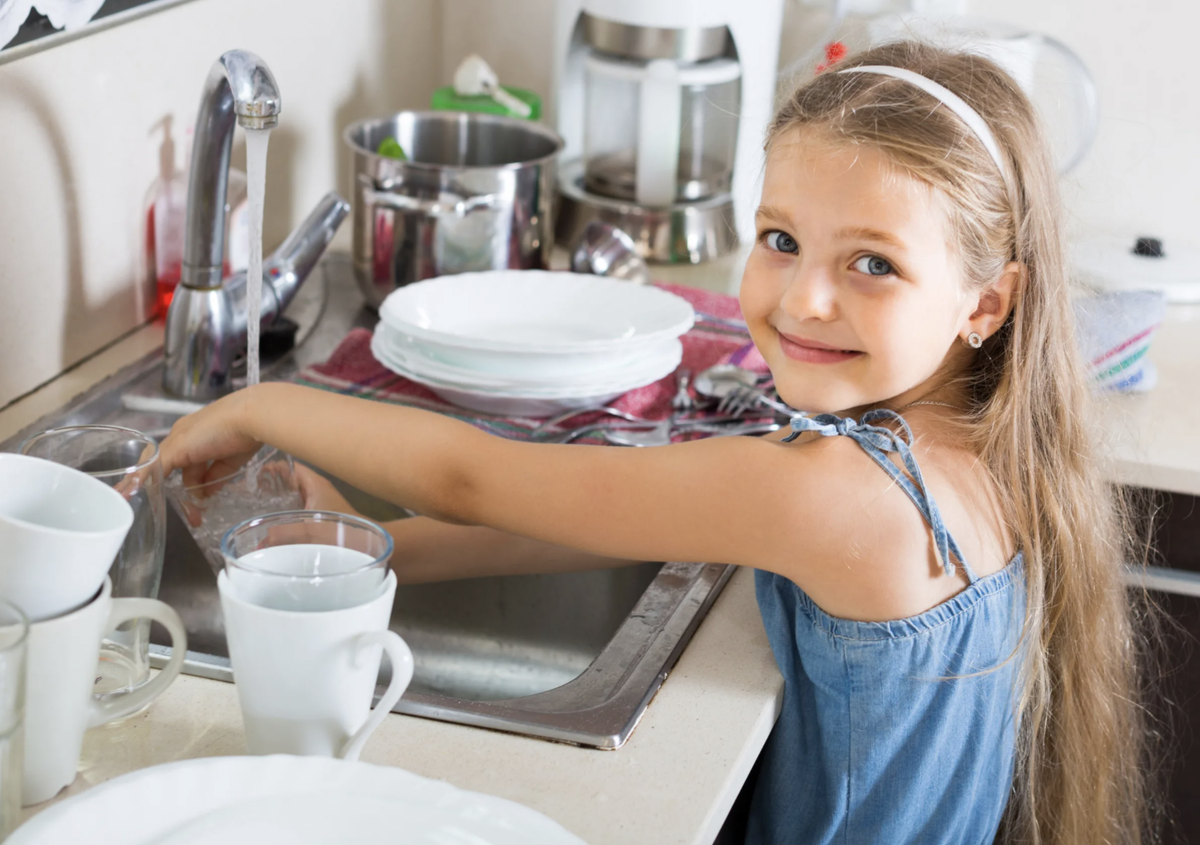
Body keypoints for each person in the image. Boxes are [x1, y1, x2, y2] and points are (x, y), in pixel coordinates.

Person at [160, 41, 1147, 845]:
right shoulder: (973, 452)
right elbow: (614, 516)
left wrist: (260, 407)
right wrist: (373, 546)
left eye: (873, 262)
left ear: (985, 299)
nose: (804, 296)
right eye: (781, 238)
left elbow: (479, 474)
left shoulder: (841, 497)